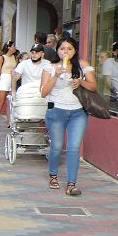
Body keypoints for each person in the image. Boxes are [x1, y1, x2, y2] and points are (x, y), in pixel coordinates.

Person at [40, 36, 96, 197]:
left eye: (69, 49)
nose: (66, 52)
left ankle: (72, 184)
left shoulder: (82, 65)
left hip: (78, 112)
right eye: (63, 49)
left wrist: (81, 82)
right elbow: (43, 92)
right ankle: (53, 175)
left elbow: (93, 86)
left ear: (75, 50)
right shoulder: (50, 67)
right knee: (57, 146)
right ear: (57, 50)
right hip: (56, 110)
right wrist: (56, 75)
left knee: (73, 148)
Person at [0, 40, 18, 129]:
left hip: (12, 79)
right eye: (13, 46)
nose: (15, 48)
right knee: (1, 101)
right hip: (4, 79)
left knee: (11, 101)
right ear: (9, 47)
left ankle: (9, 121)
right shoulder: (2, 58)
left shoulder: (15, 57)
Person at [99, 41, 118, 113]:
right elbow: (107, 81)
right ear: (114, 52)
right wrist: (117, 92)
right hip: (111, 96)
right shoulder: (108, 62)